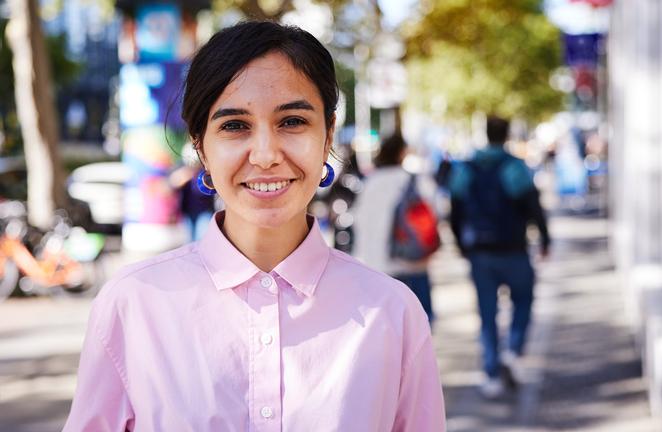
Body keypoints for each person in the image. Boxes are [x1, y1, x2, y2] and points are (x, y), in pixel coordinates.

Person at [64, 21, 445, 431]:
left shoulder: (392, 312)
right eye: (234, 126)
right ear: (200, 146)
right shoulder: (132, 305)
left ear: (327, 134)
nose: (265, 155)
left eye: (293, 121)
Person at [449, 115, 550, 399]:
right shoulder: (514, 167)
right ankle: (513, 349)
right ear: (506, 135)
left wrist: (460, 244)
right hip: (514, 249)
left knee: (487, 313)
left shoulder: (466, 168)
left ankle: (491, 374)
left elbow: (455, 209)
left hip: (480, 253)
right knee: (524, 299)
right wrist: (544, 238)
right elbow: (533, 205)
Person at [352, 134, 436, 322]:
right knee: (420, 323)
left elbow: (360, 221)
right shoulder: (412, 181)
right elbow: (433, 211)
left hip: (377, 265)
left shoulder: (371, 182)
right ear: (402, 153)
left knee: (387, 328)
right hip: (412, 261)